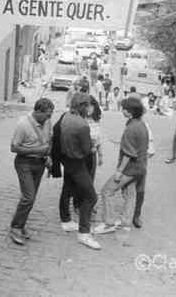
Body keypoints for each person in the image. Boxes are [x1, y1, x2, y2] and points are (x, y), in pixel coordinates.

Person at [93, 97, 149, 234]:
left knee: (107, 191)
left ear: (129, 112)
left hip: (129, 169)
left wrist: (119, 171)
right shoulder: (141, 124)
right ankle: (125, 222)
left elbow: (128, 154)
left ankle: (108, 223)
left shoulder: (131, 129)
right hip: (140, 168)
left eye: (123, 108)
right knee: (130, 193)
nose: (122, 110)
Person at [53, 93, 101, 250]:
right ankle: (84, 233)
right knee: (91, 197)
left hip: (66, 160)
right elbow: (87, 150)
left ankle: (66, 221)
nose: (90, 108)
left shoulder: (66, 116)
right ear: (83, 106)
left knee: (67, 189)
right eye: (88, 105)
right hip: (78, 163)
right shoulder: (82, 125)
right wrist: (94, 146)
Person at [9, 98, 54, 245]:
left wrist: (47, 156)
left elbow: (49, 140)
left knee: (31, 197)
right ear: (38, 111)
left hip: (40, 164)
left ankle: (21, 225)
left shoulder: (47, 122)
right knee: (28, 197)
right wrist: (36, 150)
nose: (49, 118)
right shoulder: (23, 124)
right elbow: (14, 148)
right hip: (24, 163)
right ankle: (15, 227)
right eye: (47, 114)